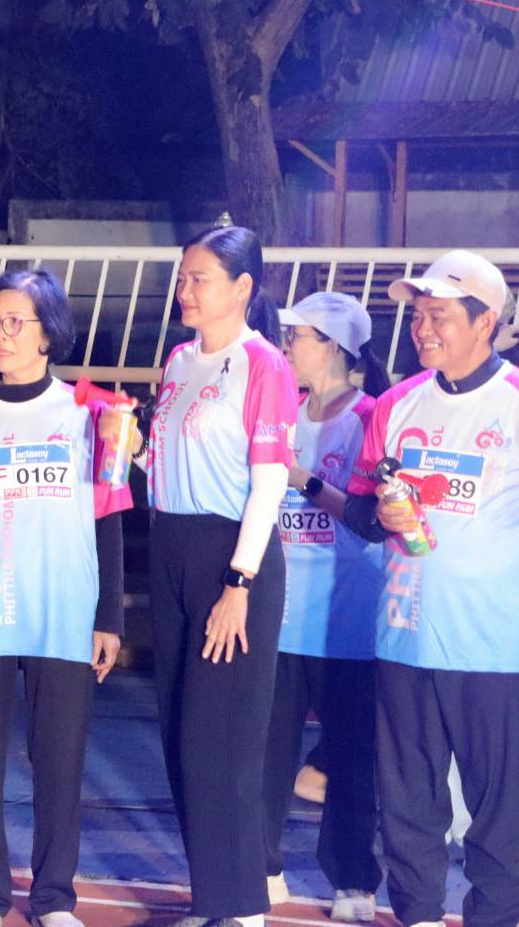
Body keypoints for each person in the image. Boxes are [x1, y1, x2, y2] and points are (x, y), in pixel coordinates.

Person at [0, 269, 131, 927]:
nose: (0, 333)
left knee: (59, 764)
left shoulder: (89, 415)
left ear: (50, 333)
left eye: (16, 321)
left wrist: (108, 617)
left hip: (63, 610)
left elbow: (108, 517)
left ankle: (53, 899)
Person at [339, 251, 519, 927]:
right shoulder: (395, 404)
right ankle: (416, 914)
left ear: (485, 322)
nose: (422, 329)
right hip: (404, 636)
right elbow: (361, 511)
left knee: (501, 807)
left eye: (438, 316)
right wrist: (379, 517)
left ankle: (495, 917)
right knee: (407, 803)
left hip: (494, 647)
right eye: (417, 316)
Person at [144, 226, 297, 926]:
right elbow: (167, 460)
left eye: (199, 278)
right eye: (182, 277)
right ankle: (214, 899)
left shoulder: (263, 364)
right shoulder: (179, 361)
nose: (185, 290)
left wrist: (239, 582)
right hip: (171, 545)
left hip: (230, 558)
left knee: (222, 740)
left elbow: (268, 484)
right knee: (181, 736)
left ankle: (244, 910)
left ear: (242, 288)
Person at [260, 292, 388, 922]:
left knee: (351, 757)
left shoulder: (367, 417)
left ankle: (352, 880)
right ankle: (261, 866)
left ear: (333, 347)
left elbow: (367, 519)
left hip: (346, 619)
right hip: (280, 613)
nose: (288, 349)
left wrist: (303, 479)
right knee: (266, 751)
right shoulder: (283, 412)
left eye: (299, 338)